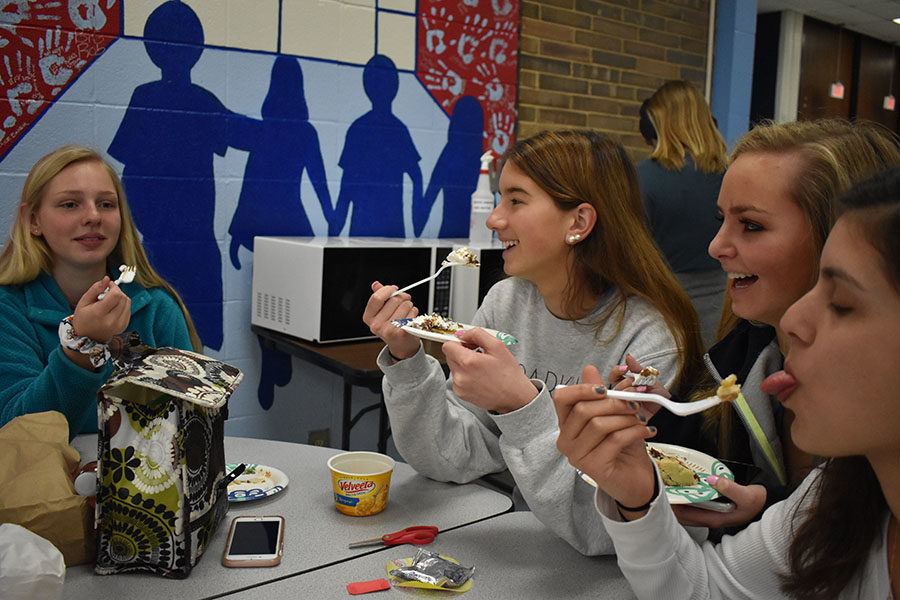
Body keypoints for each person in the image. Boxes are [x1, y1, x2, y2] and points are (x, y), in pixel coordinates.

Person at [554, 165, 900, 599]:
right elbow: (704, 588)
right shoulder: (835, 496)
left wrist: (518, 407)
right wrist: (637, 497)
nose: (794, 320)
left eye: (842, 303)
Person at [362, 129, 704, 555]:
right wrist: (406, 356)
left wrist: (519, 404)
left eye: (516, 200)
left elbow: (604, 530)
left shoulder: (649, 342)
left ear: (578, 222)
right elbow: (448, 457)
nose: (493, 219)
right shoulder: (506, 301)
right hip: (509, 538)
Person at [608, 119, 900, 536]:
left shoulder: (879, 402)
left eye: (751, 225)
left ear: (840, 237)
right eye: (721, 219)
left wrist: (770, 508)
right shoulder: (737, 359)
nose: (716, 247)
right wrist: (663, 416)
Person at [0, 146, 200, 438]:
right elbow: (15, 434)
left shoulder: (157, 308)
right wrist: (82, 348)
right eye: (70, 204)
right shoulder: (9, 310)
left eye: (106, 204)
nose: (93, 216)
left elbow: (194, 424)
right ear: (33, 220)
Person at [636, 80, 728, 347]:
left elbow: (630, 253)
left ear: (660, 122)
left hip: (663, 307)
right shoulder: (733, 174)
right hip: (723, 304)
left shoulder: (644, 176)